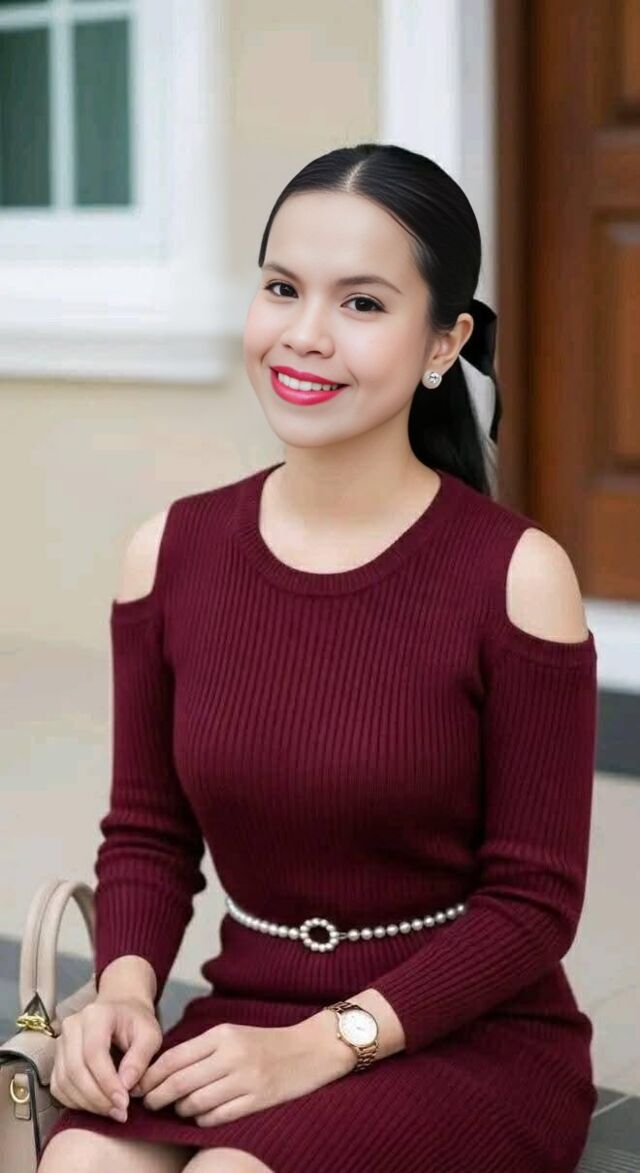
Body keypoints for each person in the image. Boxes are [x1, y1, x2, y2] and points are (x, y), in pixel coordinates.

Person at [38, 143, 598, 1173]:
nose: (305, 334)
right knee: (78, 1164)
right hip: (247, 1013)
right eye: (282, 288)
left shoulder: (518, 575)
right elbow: (150, 833)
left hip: (468, 1037)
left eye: (363, 303)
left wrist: (327, 1042)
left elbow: (533, 905)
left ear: (444, 343)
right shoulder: (169, 553)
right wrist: (123, 989)